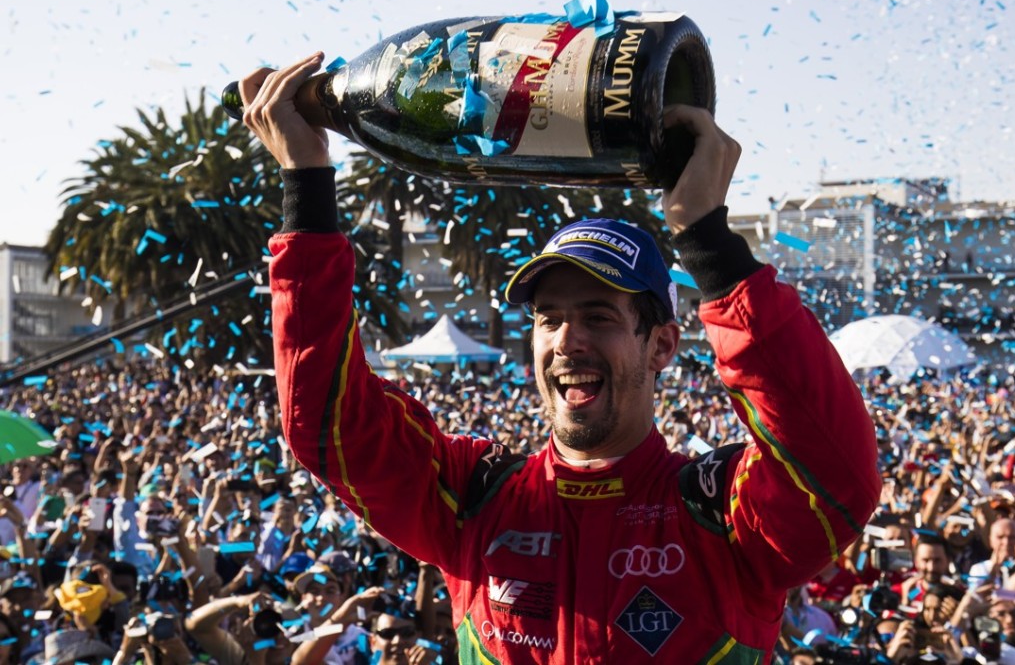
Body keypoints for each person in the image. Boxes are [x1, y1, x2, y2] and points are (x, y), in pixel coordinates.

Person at [237, 50, 880, 662]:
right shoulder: (472, 499)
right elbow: (325, 423)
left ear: (661, 344)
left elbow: (837, 469)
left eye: (598, 316)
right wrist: (307, 182)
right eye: (549, 319)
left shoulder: (720, 514)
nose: (568, 339)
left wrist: (708, 238)